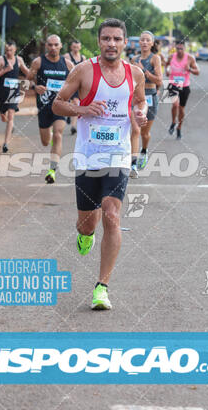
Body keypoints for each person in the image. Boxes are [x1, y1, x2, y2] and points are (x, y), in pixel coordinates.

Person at [52, 18, 147, 310]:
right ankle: (86, 235)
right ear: (99, 41)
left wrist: (140, 115)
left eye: (117, 39)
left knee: (112, 214)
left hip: (118, 155)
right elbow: (57, 103)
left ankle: (101, 287)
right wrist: (82, 109)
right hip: (87, 155)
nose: (111, 44)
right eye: (106, 38)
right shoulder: (83, 71)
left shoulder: (135, 73)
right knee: (87, 223)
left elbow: (140, 102)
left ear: (124, 42)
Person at [28, 35, 74, 183]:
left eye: (56, 45)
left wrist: (74, 98)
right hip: (44, 107)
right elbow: (26, 81)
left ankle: (52, 171)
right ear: (46, 46)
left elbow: (75, 84)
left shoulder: (68, 65)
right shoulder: (38, 62)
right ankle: (51, 135)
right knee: (45, 142)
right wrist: (35, 87)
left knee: (58, 134)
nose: (53, 47)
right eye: (50, 45)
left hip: (60, 106)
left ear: (61, 46)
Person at [129, 31, 163, 175]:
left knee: (145, 133)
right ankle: (133, 164)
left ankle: (144, 150)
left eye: (147, 40)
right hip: (137, 97)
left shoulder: (155, 58)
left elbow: (159, 80)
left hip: (150, 96)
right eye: (142, 40)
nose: (144, 42)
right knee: (135, 130)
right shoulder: (133, 59)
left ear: (152, 43)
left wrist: (144, 71)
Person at [0, 41, 29, 153]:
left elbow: (28, 72)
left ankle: (5, 143)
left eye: (11, 50)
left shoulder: (19, 60)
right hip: (2, 92)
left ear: (15, 50)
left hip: (14, 91)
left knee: (11, 115)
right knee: (4, 116)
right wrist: (5, 70)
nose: (8, 52)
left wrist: (33, 78)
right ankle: (5, 118)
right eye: (7, 50)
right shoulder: (1, 59)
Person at [166, 40, 199, 140]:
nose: (179, 50)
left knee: (181, 109)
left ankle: (179, 128)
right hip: (173, 84)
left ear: (185, 48)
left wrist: (189, 69)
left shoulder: (190, 58)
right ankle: (173, 122)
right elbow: (167, 65)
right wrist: (167, 71)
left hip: (185, 86)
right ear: (175, 48)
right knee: (175, 105)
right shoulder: (171, 57)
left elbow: (197, 72)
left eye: (181, 48)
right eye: (178, 48)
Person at [64, 40, 86, 135]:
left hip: (78, 84)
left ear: (80, 47)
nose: (76, 49)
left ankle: (73, 126)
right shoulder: (67, 56)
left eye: (77, 47)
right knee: (66, 103)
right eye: (74, 47)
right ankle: (68, 115)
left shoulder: (83, 58)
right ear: (71, 47)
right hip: (68, 84)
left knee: (77, 103)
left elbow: (85, 71)